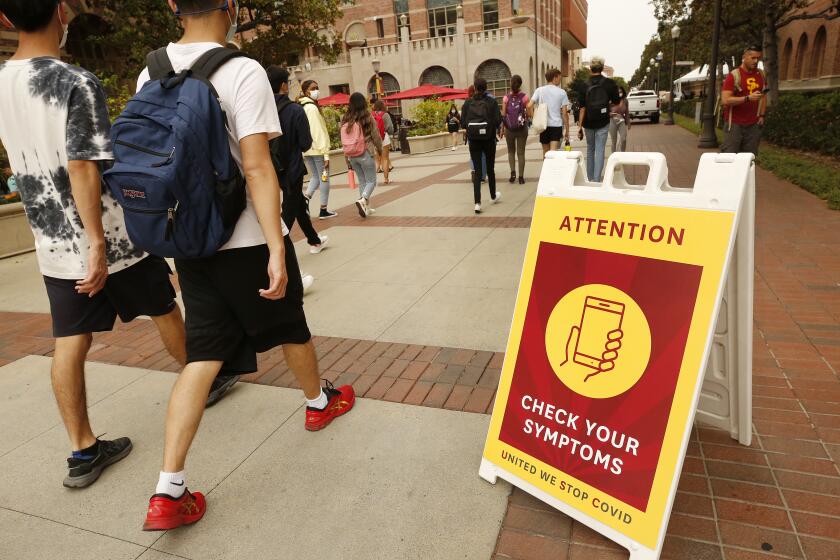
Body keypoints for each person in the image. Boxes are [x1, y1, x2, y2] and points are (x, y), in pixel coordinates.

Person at [136, 0, 355, 531]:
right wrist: (278, 246)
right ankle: (317, 402)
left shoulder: (152, 68)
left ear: (172, 5)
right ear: (230, 5)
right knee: (290, 325)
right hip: (245, 237)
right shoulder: (241, 69)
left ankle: (168, 490)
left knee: (203, 353)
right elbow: (256, 166)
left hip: (189, 238)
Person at [0, 0, 189, 489]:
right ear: (62, 12)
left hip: (51, 242)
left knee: (69, 341)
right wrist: (98, 244)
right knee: (163, 306)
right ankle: (198, 383)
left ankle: (82, 451)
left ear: (5, 19)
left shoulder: (2, 82)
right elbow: (84, 165)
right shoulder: (76, 81)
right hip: (111, 236)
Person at [266, 66, 328, 257]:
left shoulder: (262, 109)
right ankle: (276, 252)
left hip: (271, 167)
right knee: (289, 211)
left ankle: (314, 240)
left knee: (299, 205)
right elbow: (305, 143)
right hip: (292, 168)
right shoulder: (295, 110)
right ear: (284, 85)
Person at [461, 78, 502, 214]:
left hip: (474, 140)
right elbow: (497, 120)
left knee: (477, 171)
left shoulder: (468, 103)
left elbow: (463, 123)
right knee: (490, 168)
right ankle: (493, 196)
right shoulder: (491, 101)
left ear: (475, 88)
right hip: (489, 139)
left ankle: (477, 203)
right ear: (486, 87)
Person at [577, 56, 621, 182]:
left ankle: (590, 179)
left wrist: (580, 126)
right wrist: (607, 107)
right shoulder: (610, 84)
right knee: (600, 149)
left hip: (588, 122)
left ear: (590, 68)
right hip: (603, 121)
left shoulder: (583, 85)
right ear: (602, 68)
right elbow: (617, 102)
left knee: (590, 149)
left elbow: (582, 108)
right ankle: (596, 180)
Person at [298, 80, 337, 219]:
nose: (316, 90)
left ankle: (306, 198)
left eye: (317, 87)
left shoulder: (302, 106)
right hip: (318, 151)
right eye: (313, 88)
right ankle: (323, 209)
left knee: (316, 176)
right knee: (324, 178)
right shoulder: (311, 108)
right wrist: (326, 154)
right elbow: (318, 131)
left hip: (308, 150)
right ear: (306, 91)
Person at [341, 92, 382, 218]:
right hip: (365, 152)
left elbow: (343, 138)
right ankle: (363, 200)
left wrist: (346, 157)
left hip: (352, 155)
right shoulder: (367, 117)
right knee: (371, 181)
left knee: (363, 181)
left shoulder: (345, 118)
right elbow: (375, 135)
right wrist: (380, 149)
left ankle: (366, 208)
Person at [721, 46, 766, 156]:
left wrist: (762, 115)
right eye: (753, 58)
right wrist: (747, 98)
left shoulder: (761, 74)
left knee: (748, 160)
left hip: (753, 126)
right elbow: (725, 100)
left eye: (758, 58)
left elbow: (763, 95)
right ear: (744, 57)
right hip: (734, 125)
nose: (756, 61)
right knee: (729, 159)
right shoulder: (734, 75)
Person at [528, 68, 571, 157]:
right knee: (553, 153)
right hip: (556, 125)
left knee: (546, 153)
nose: (560, 80)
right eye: (559, 77)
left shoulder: (539, 90)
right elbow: (564, 113)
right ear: (554, 78)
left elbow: (529, 106)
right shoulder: (562, 92)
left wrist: (533, 118)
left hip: (543, 126)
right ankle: (552, 170)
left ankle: (545, 170)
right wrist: (567, 129)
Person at [502, 74, 530, 184]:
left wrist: (503, 128)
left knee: (510, 151)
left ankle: (512, 172)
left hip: (509, 129)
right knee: (521, 153)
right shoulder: (525, 97)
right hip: (522, 128)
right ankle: (521, 177)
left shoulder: (505, 98)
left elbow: (503, 114)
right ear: (520, 84)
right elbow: (529, 113)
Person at [372, 99, 394, 184]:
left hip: (374, 139)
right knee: (385, 159)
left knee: (378, 159)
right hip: (384, 138)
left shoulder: (370, 115)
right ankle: (386, 179)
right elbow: (390, 128)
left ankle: (374, 179)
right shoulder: (385, 115)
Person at [609, 86, 630, 153]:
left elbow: (627, 112)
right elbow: (605, 111)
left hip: (621, 121)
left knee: (623, 139)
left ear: (623, 92)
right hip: (612, 121)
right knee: (614, 141)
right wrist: (610, 114)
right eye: (618, 92)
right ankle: (613, 156)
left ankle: (622, 154)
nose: (619, 93)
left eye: (620, 92)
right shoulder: (611, 100)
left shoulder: (625, 100)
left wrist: (628, 123)